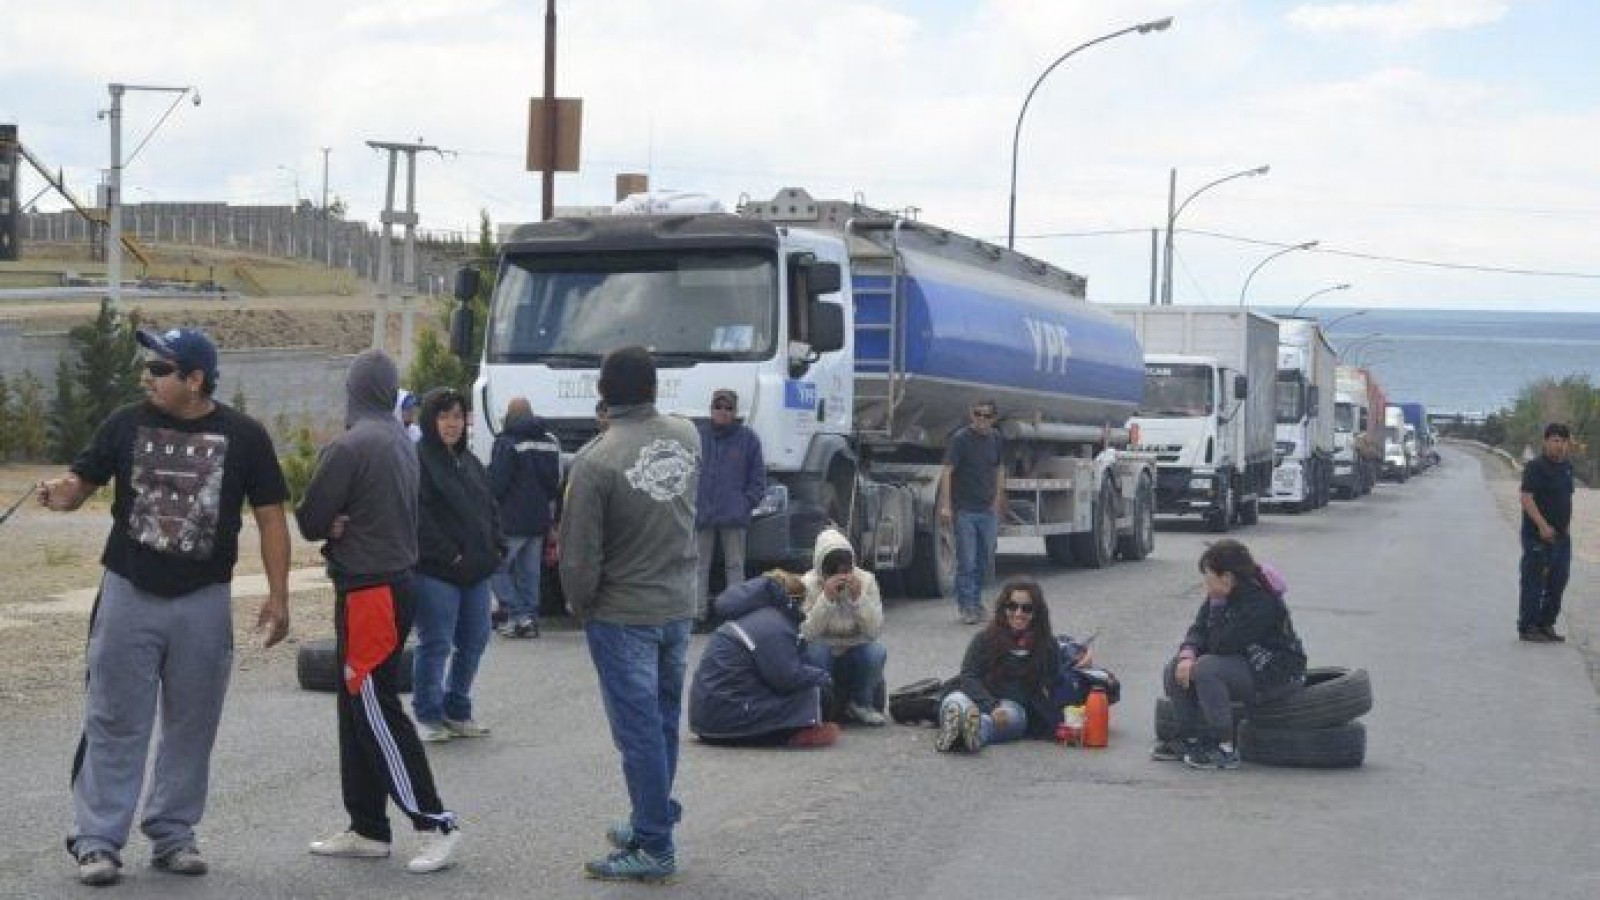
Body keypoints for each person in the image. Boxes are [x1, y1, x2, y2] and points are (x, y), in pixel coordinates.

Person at [38, 326, 290, 886]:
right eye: (148, 367)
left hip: (203, 601)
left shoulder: (244, 436)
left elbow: (271, 515)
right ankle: (97, 840)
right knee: (114, 718)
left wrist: (278, 596)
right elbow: (83, 479)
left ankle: (173, 834)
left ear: (195, 380)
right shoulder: (125, 424)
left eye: (159, 369)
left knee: (192, 724)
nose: (146, 377)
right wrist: (64, 492)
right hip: (129, 591)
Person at [296, 349, 461, 874]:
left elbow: (310, 518)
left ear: (352, 388)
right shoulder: (399, 438)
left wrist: (334, 522)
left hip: (370, 591)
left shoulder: (349, 445)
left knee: (373, 705)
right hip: (396, 581)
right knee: (355, 707)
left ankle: (435, 822)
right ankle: (367, 826)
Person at [559, 346, 700, 884]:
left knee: (637, 732)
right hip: (676, 604)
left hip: (623, 612)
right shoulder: (688, 436)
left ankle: (655, 845)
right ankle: (651, 817)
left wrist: (580, 603)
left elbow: (578, 556)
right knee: (662, 722)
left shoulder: (595, 461)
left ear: (603, 392)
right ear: (654, 386)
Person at [1152, 539, 1307, 770]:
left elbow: (1221, 644)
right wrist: (1186, 656)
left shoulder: (1261, 602)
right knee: (1176, 665)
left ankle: (1224, 747)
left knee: (1206, 668)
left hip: (1276, 674)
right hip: (1243, 662)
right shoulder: (1223, 594)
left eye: (1208, 576)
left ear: (1226, 577)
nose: (1205, 583)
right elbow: (1198, 629)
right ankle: (1189, 738)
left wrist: (1216, 606)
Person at [411, 387, 502, 742]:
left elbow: (489, 508)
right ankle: (428, 714)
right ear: (431, 420)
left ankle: (457, 709)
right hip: (437, 573)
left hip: (477, 573)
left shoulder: (471, 462)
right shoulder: (418, 460)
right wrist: (451, 555)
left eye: (458, 417)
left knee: (475, 640)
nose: (452, 424)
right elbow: (420, 519)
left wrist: (497, 546)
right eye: (444, 416)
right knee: (436, 642)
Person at [688, 571, 839, 747]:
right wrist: (824, 677)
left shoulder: (751, 616)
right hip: (725, 721)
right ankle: (797, 732)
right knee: (818, 695)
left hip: (709, 716)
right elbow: (787, 678)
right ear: (793, 601)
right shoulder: (773, 625)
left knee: (812, 693)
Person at [935, 579, 1067, 753]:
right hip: (975, 697)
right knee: (956, 701)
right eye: (1012, 606)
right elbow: (969, 676)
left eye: (1026, 608)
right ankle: (958, 728)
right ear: (1004, 609)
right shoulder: (984, 639)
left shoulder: (1047, 645)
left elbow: (1055, 680)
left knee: (1011, 720)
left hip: (1011, 707)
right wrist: (991, 706)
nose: (1018, 613)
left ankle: (969, 734)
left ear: (1037, 612)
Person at [694, 388, 766, 633]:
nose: (722, 412)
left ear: (735, 412)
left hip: (734, 516)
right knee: (698, 565)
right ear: (711, 409)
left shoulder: (748, 439)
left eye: (728, 408)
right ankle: (697, 614)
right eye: (718, 407)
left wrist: (746, 503)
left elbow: (758, 479)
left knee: (735, 566)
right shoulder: (698, 437)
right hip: (702, 513)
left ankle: (736, 614)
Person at [488, 396, 560, 639]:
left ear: (510, 415)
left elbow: (496, 483)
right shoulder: (550, 441)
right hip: (539, 520)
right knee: (530, 573)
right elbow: (554, 483)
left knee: (495, 567)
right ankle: (529, 619)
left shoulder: (507, 442)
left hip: (511, 520)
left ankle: (516, 614)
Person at [800, 529, 887, 726]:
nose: (842, 578)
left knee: (877, 653)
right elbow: (806, 633)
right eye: (835, 573)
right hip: (822, 645)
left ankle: (861, 704)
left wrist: (858, 599)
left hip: (856, 645)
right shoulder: (807, 584)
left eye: (846, 571)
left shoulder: (866, 581)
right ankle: (823, 705)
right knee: (815, 654)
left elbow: (874, 631)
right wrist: (826, 599)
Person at [939, 400, 1006, 624]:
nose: (981, 419)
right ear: (971, 414)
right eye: (977, 414)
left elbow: (999, 469)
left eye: (986, 415)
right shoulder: (960, 440)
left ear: (993, 418)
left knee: (984, 559)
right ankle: (966, 606)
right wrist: (947, 505)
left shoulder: (996, 439)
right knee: (967, 560)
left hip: (988, 509)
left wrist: (997, 498)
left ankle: (977, 603)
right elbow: (948, 471)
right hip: (964, 510)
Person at [1518, 422, 1574, 643]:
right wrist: (1542, 525)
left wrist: (1567, 525)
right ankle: (1528, 626)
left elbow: (1567, 497)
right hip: (1537, 536)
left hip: (1562, 536)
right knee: (1534, 582)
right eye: (1555, 440)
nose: (1559, 445)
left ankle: (1546, 624)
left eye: (1563, 441)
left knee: (1558, 581)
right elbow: (1526, 498)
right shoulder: (1535, 467)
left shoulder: (1567, 467)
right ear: (1546, 441)